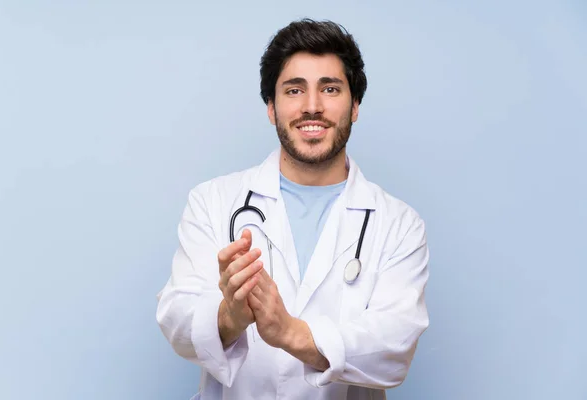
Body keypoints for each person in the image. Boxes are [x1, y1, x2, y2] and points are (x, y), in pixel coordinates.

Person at [156, 18, 429, 400]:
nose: (312, 107)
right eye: (294, 90)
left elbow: (394, 347)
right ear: (271, 107)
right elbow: (176, 318)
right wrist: (228, 318)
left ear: (355, 107)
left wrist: (289, 332)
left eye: (330, 89)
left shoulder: (399, 225)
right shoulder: (213, 202)